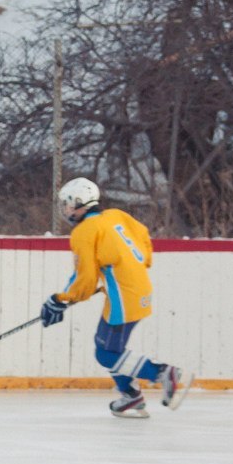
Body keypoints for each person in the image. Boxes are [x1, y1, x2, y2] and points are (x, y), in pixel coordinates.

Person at [40, 177, 192, 417]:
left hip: (124, 296)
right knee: (105, 344)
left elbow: (85, 280)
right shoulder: (116, 215)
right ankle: (131, 397)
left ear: (79, 203)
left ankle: (164, 373)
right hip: (138, 288)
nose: (66, 210)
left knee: (106, 353)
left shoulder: (83, 232)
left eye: (68, 204)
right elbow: (142, 237)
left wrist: (60, 299)